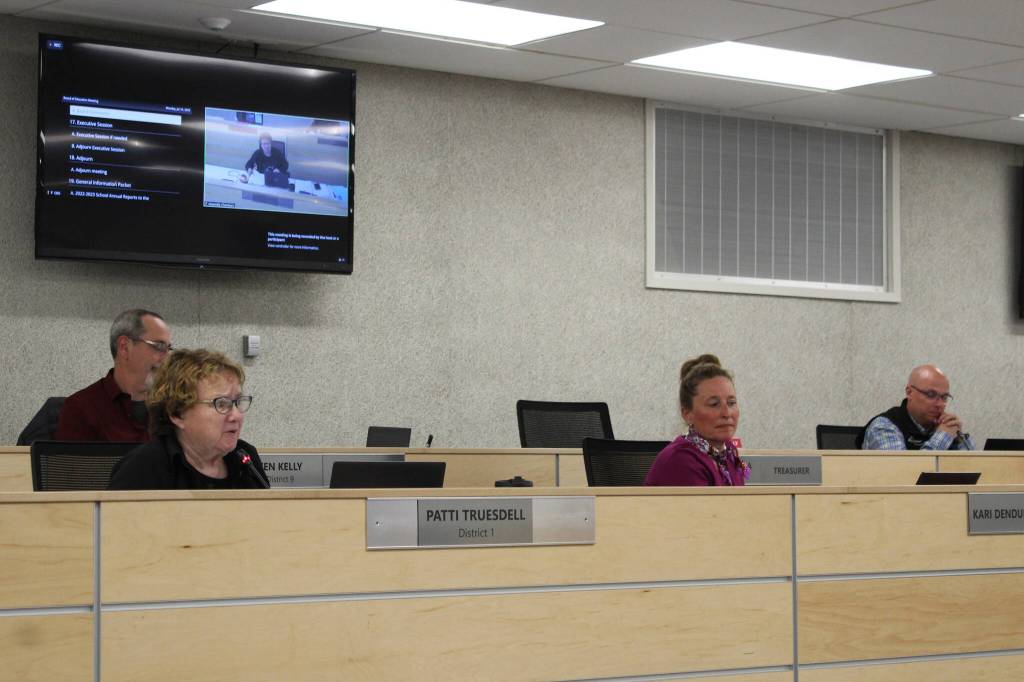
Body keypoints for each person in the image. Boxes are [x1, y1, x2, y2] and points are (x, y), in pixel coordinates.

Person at [108, 348, 269, 489]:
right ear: (178, 414)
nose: (235, 415)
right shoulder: (143, 468)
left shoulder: (246, 460)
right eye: (221, 404)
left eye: (237, 402)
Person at [56, 309, 172, 441]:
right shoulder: (81, 409)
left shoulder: (174, 407)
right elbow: (73, 462)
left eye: (169, 348)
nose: (167, 357)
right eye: (159, 346)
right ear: (124, 347)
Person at [645, 354, 749, 486]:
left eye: (731, 402)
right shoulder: (681, 460)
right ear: (687, 413)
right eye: (714, 404)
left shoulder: (729, 452)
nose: (726, 413)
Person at [858, 364, 974, 450]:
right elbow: (907, 474)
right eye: (931, 395)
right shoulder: (884, 427)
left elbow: (978, 470)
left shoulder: (944, 426)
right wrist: (942, 437)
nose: (939, 404)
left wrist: (959, 438)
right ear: (909, 392)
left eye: (944, 397)